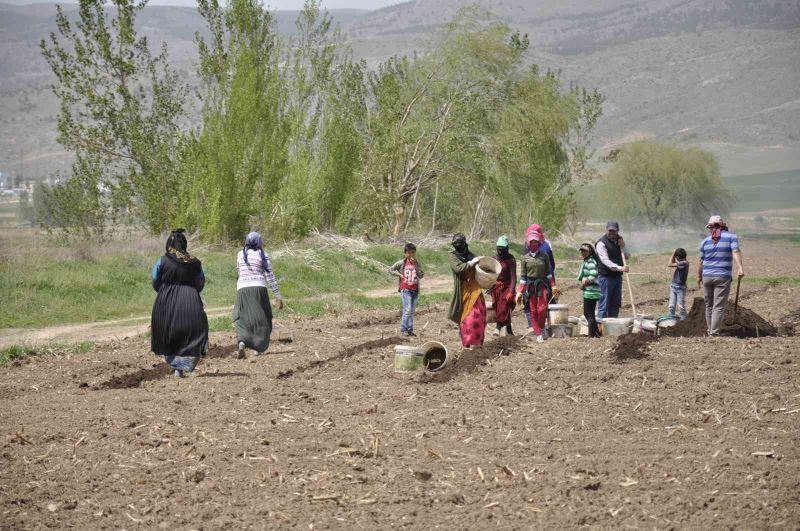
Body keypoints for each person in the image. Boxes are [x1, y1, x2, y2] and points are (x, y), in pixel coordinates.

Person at [150, 229, 208, 377]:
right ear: (184, 244)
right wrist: (192, 293)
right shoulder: (194, 262)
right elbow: (201, 282)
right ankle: (186, 365)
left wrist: (164, 291)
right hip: (190, 299)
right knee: (194, 333)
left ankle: (177, 367)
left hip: (165, 301)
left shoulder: (162, 260)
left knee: (169, 333)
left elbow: (155, 279)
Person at [234, 232, 284, 359]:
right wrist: (278, 295)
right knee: (263, 317)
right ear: (259, 242)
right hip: (259, 288)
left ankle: (242, 342)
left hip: (242, 289)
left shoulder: (240, 255)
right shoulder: (263, 255)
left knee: (241, 317)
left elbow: (239, 272)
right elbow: (270, 276)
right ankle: (259, 348)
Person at [698, 216, 744, 336]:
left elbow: (701, 262)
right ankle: (714, 333)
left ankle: (710, 331)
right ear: (722, 225)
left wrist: (699, 277)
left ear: (711, 227)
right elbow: (735, 251)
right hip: (722, 276)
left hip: (706, 276)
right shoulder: (731, 237)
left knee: (709, 305)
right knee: (718, 305)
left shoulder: (704, 241)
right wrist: (740, 267)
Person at [515, 231, 557, 343]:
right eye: (532, 242)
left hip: (542, 284)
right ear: (528, 243)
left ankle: (542, 327)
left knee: (542, 309)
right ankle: (538, 333)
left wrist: (553, 286)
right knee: (533, 310)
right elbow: (523, 276)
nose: (534, 244)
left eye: (536, 242)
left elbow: (549, 273)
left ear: (539, 243)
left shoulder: (544, 256)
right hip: (530, 286)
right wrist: (520, 291)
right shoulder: (525, 258)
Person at [447, 233, 486, 349]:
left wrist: (480, 262)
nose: (457, 246)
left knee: (479, 315)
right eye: (455, 244)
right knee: (467, 318)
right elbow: (458, 269)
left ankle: (477, 342)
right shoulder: (452, 256)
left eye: (459, 244)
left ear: (464, 244)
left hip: (474, 289)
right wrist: (471, 263)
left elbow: (480, 269)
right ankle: (468, 342)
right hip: (463, 289)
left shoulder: (471, 255)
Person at [523, 224, 557, 329]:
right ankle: (548, 325)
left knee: (531, 302)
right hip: (545, 277)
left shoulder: (527, 244)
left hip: (539, 278)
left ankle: (533, 326)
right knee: (549, 300)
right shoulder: (547, 243)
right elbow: (553, 263)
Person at [389, 242, 425, 337]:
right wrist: (399, 274)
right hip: (405, 289)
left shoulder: (417, 263)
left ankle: (410, 329)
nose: (411, 255)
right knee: (407, 309)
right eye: (409, 253)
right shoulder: (401, 263)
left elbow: (421, 275)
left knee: (412, 311)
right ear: (405, 253)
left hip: (415, 289)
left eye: (413, 253)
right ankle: (404, 329)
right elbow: (390, 269)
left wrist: (416, 266)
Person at [595, 221, 630, 319]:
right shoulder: (601, 243)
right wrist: (620, 268)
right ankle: (600, 328)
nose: (611, 233)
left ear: (617, 231)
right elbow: (605, 261)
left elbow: (627, 256)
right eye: (609, 231)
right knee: (603, 304)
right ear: (606, 230)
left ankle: (612, 325)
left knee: (615, 304)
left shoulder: (620, 241)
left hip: (617, 277)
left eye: (613, 231)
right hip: (605, 277)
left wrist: (623, 246)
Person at [491, 236, 516, 336]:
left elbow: (513, 277)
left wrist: (512, 291)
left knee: (504, 306)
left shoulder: (510, 259)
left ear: (507, 248)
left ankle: (498, 327)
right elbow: (491, 274)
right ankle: (509, 330)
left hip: (507, 286)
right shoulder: (494, 259)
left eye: (502, 248)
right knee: (498, 307)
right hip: (496, 287)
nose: (500, 250)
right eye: (499, 248)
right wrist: (493, 282)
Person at [577, 243, 602, 338]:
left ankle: (592, 335)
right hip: (590, 290)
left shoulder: (590, 261)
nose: (583, 253)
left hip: (591, 290)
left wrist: (584, 283)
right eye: (582, 251)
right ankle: (596, 333)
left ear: (590, 251)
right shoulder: (587, 260)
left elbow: (593, 274)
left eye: (585, 251)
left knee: (588, 313)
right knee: (589, 313)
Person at [667, 247, 689, 320]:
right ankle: (671, 320)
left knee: (681, 306)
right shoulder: (682, 262)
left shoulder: (684, 263)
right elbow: (673, 262)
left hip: (680, 287)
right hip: (674, 286)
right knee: (671, 305)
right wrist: (675, 255)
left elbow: (669, 264)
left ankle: (683, 321)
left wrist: (673, 253)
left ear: (678, 257)